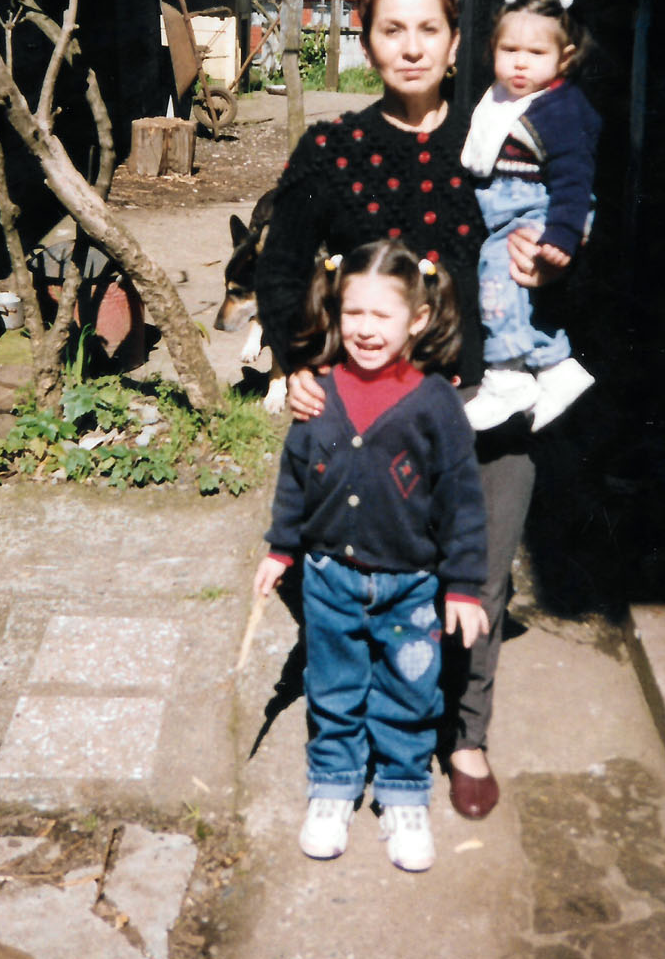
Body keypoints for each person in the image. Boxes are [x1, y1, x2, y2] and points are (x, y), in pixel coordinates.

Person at [255, 0, 558, 826]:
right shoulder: (334, 152)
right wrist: (298, 364)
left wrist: (550, 260)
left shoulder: (502, 142)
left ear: (458, 42)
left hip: (482, 408)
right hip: (364, 420)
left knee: (481, 581)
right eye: (393, 28)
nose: (412, 47)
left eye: (431, 28)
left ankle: (464, 738)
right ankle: (348, 742)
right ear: (365, 38)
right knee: (352, 579)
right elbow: (280, 268)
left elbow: (564, 236)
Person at [253, 239, 488, 872]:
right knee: (333, 689)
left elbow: (463, 500)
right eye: (353, 313)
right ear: (337, 312)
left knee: (410, 693)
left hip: (411, 589)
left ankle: (404, 794)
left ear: (416, 319)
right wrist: (281, 548)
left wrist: (464, 585)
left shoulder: (436, 403)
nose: (364, 329)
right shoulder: (318, 394)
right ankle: (332, 790)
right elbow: (295, 476)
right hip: (329, 580)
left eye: (381, 316)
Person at [460, 0, 601, 433]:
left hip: (540, 209)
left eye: (536, 52)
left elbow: (575, 180)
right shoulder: (502, 98)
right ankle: (557, 368)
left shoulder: (558, 109)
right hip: (510, 206)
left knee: (499, 279)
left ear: (565, 57)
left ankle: (506, 376)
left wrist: (561, 235)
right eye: (509, 50)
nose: (520, 63)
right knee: (523, 298)